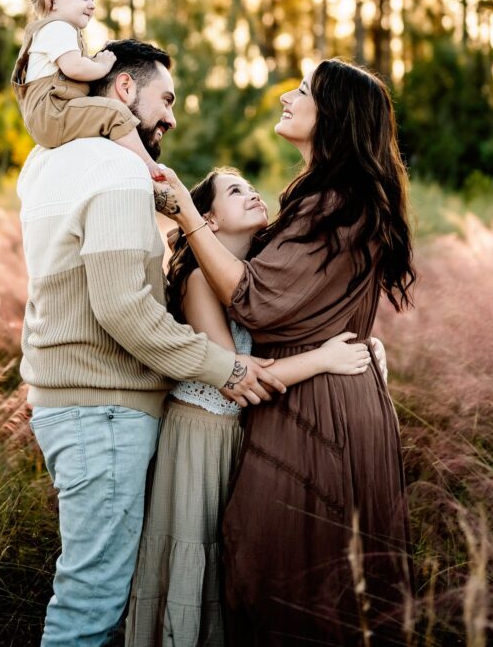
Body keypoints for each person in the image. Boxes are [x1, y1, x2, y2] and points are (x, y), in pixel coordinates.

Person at [18, 39, 286, 647]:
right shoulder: (112, 167)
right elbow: (124, 308)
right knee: (91, 603)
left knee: (92, 588)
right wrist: (227, 369)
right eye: (164, 100)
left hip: (72, 406)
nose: (169, 116)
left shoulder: (43, 161)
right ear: (121, 89)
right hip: (103, 411)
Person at [159, 59, 416, 646]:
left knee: (292, 577)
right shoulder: (330, 198)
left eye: (302, 90)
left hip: (318, 404)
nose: (286, 96)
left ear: (334, 115)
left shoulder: (336, 201)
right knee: (301, 573)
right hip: (326, 387)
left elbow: (254, 299)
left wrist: (184, 210)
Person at [126, 167, 388, 647]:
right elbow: (237, 381)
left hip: (242, 440)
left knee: (230, 559)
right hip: (201, 439)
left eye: (249, 186)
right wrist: (324, 359)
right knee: (195, 557)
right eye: (234, 191)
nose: (251, 193)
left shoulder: (260, 277)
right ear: (208, 219)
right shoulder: (199, 280)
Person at [11, 0, 164, 177]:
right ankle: (148, 166)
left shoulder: (52, 33)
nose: (92, 5)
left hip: (49, 117)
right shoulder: (57, 28)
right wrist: (101, 66)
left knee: (98, 114)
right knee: (115, 113)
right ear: (51, 1)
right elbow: (74, 68)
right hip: (53, 113)